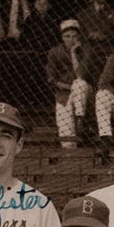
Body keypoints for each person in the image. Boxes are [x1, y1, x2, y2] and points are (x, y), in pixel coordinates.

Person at [45, 20, 93, 148]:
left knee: (79, 84)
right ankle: (74, 133)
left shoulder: (85, 50)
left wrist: (73, 54)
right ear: (62, 37)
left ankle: (80, 119)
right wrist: (69, 87)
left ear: (79, 37)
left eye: (74, 36)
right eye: (67, 36)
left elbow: (81, 75)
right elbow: (51, 79)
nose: (71, 40)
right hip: (65, 94)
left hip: (85, 92)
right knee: (67, 141)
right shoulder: (54, 51)